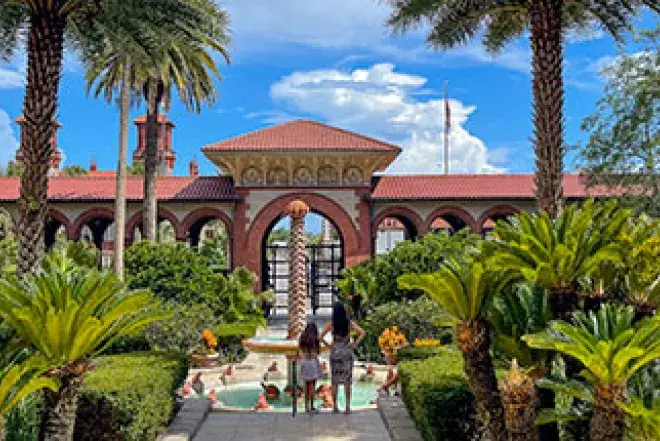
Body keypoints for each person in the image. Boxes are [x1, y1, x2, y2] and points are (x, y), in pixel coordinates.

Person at [320, 303, 366, 414]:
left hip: (335, 352)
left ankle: (335, 407)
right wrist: (354, 344)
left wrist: (329, 346)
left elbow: (320, 336)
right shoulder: (349, 324)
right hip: (347, 352)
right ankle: (348, 407)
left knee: (335, 381)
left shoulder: (332, 324)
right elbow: (362, 332)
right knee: (347, 381)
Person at [299, 322, 322, 414]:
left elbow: (300, 349)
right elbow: (318, 352)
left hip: (304, 362)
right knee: (313, 385)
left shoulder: (302, 339)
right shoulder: (316, 339)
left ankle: (306, 407)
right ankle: (312, 406)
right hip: (313, 362)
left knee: (306, 385)